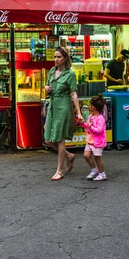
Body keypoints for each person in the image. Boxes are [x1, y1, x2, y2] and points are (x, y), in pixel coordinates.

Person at [44, 46, 84, 181]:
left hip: (63, 107)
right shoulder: (51, 71)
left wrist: (78, 112)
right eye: (55, 57)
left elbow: (73, 93)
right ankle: (68, 155)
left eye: (59, 57)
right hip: (53, 106)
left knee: (60, 139)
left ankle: (59, 170)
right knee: (48, 139)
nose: (56, 59)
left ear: (65, 58)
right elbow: (49, 88)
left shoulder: (70, 74)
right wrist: (46, 89)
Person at [79, 93, 107, 181]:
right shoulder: (91, 116)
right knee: (86, 155)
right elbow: (88, 125)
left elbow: (99, 131)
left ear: (94, 107)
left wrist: (90, 126)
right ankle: (94, 170)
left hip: (97, 142)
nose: (89, 106)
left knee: (97, 157)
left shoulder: (100, 118)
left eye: (90, 105)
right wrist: (81, 123)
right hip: (90, 140)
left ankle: (102, 174)